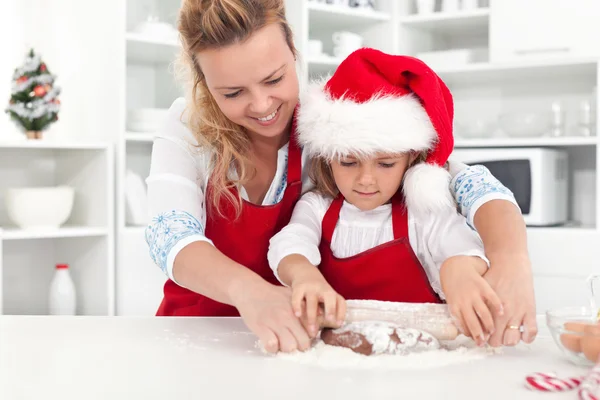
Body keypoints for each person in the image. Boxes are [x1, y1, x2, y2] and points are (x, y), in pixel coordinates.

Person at [145, 0, 536, 353]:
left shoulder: (330, 126)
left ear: (294, 52)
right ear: (203, 84)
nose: (263, 106)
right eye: (232, 93)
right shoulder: (188, 128)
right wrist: (250, 292)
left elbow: (466, 183)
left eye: (275, 79)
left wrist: (510, 259)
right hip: (195, 334)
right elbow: (169, 236)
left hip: (296, 340)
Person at [268, 48, 503, 347]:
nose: (366, 179)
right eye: (349, 162)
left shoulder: (423, 213)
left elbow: (460, 246)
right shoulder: (317, 207)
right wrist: (302, 274)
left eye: (386, 164)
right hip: (336, 363)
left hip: (419, 362)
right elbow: (292, 240)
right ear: (328, 159)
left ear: (410, 159)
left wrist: (460, 269)